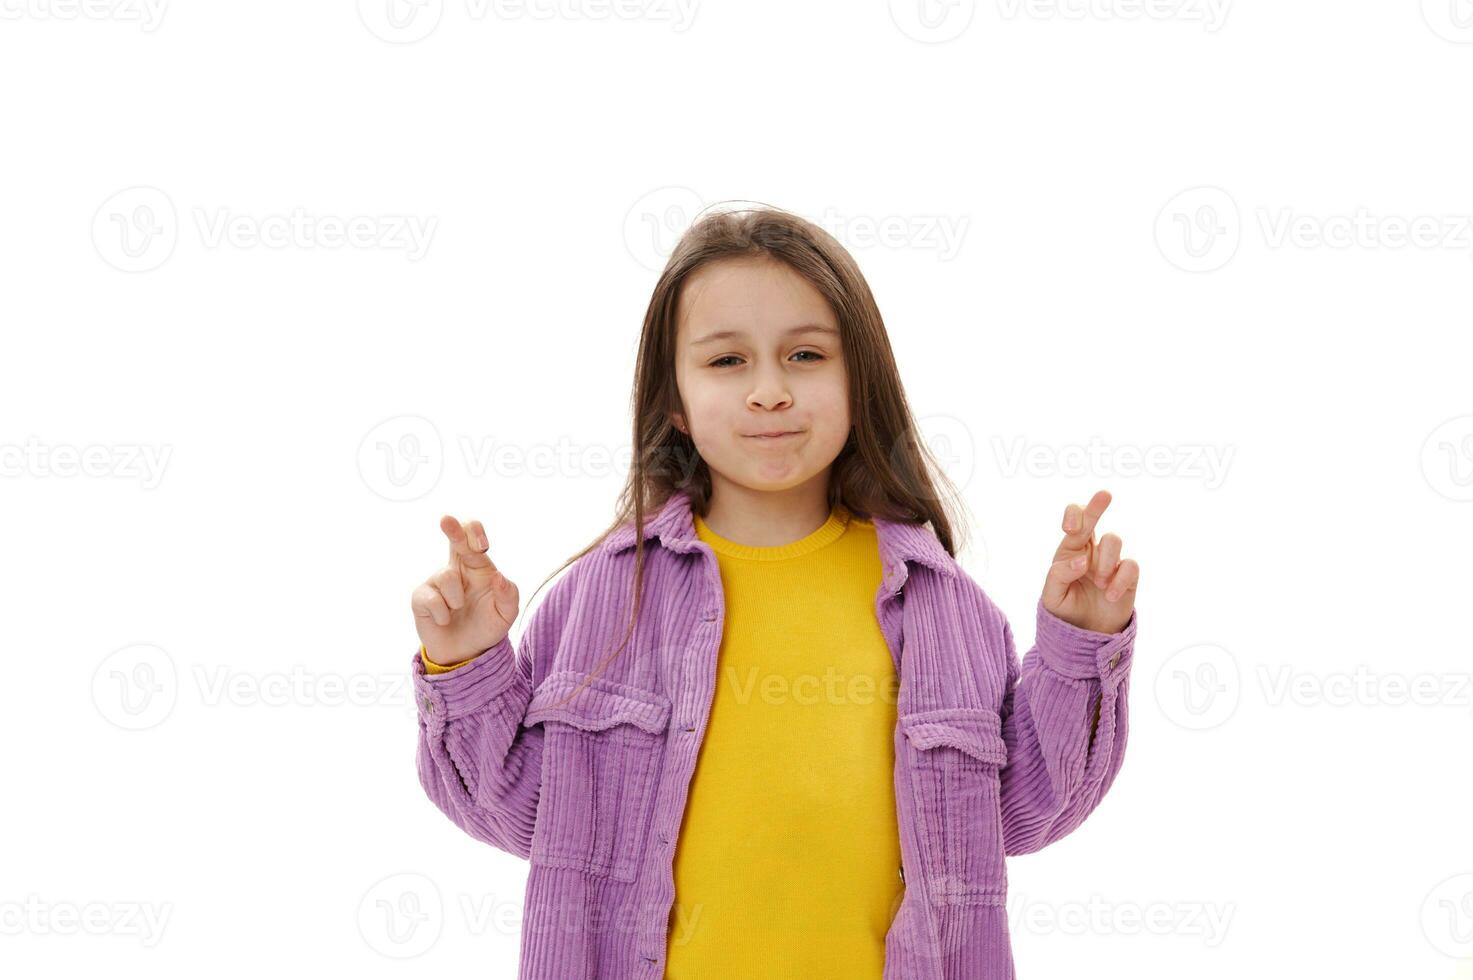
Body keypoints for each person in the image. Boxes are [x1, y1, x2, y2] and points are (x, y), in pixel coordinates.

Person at [408, 204, 1141, 980]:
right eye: (726, 361)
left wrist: (1077, 646)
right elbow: (519, 814)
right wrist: (465, 666)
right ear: (673, 402)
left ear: (860, 376)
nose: (767, 391)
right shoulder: (603, 599)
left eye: (804, 355)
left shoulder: (941, 605)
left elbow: (1030, 811)